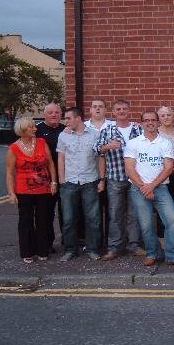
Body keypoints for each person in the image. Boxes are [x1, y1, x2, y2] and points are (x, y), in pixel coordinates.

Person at [124, 111, 174, 267]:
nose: (150, 123)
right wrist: (144, 187)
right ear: (141, 123)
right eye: (146, 120)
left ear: (157, 122)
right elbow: (129, 168)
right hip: (138, 189)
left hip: (160, 188)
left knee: (172, 220)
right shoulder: (134, 143)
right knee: (146, 224)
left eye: (153, 120)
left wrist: (152, 186)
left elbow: (168, 168)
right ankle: (152, 253)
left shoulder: (165, 143)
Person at [95, 100, 145, 261]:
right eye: (118, 109)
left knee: (134, 214)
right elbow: (96, 149)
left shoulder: (138, 128)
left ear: (129, 111)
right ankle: (115, 247)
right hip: (115, 177)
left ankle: (134, 245)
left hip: (136, 178)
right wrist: (108, 146)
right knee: (115, 214)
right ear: (113, 112)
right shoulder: (107, 129)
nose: (121, 111)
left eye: (124, 109)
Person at [6, 116, 57, 263]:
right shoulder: (13, 148)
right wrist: (11, 192)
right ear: (23, 130)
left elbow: (50, 163)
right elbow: (10, 173)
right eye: (31, 127)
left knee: (43, 220)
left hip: (43, 189)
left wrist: (53, 182)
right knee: (25, 221)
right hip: (24, 190)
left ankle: (42, 250)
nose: (35, 129)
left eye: (35, 126)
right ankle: (27, 252)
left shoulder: (41, 142)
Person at [57, 108, 105, 261]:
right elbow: (61, 158)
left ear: (78, 119)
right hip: (69, 182)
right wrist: (61, 179)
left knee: (93, 218)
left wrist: (102, 179)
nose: (66, 121)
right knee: (69, 219)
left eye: (68, 118)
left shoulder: (94, 134)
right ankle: (70, 250)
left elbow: (100, 158)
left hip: (90, 181)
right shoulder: (63, 135)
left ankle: (93, 249)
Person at [83, 98, 114, 249]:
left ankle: (110, 243)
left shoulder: (113, 126)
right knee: (92, 213)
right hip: (90, 174)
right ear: (90, 110)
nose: (97, 109)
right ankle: (94, 243)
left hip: (112, 174)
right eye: (94, 107)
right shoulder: (82, 127)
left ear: (105, 110)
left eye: (101, 107)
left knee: (111, 211)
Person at [36, 102, 65, 248]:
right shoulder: (37, 130)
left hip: (65, 177)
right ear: (44, 114)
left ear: (61, 114)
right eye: (50, 113)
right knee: (46, 213)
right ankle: (47, 243)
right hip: (45, 179)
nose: (54, 115)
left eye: (57, 112)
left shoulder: (66, 130)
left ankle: (67, 242)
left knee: (66, 212)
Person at [156, 105, 174, 246]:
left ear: (173, 115)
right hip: (159, 177)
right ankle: (162, 241)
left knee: (173, 208)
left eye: (168, 114)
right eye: (162, 115)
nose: (166, 118)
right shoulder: (155, 133)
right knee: (160, 209)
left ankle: (173, 240)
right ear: (158, 118)